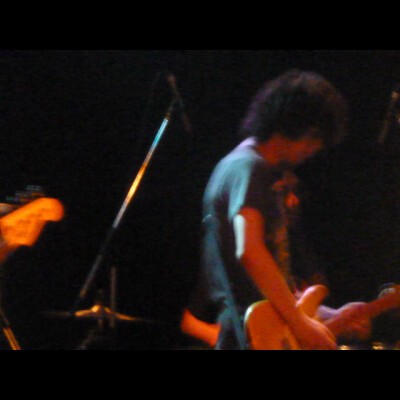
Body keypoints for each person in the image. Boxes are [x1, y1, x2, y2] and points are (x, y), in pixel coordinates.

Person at [182, 69, 372, 350]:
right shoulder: (249, 168)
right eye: (316, 141)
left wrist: (327, 315)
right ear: (307, 130)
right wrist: (300, 324)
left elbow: (265, 287)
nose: (313, 151)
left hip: (262, 332)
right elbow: (250, 251)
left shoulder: (248, 169)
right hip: (248, 337)